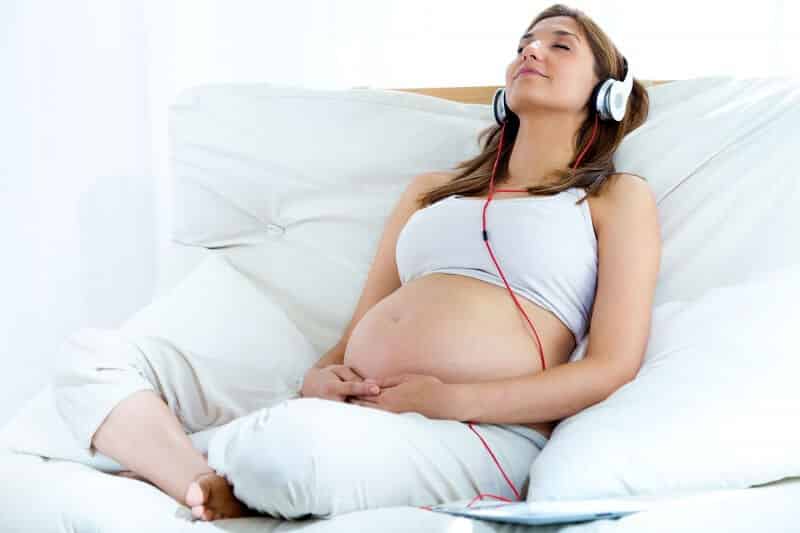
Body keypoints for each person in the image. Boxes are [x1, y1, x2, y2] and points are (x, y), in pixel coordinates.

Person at [46, 3, 660, 522]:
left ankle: (185, 463)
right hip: (349, 412)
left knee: (287, 449)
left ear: (606, 94)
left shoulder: (612, 199)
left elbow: (610, 367)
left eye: (560, 45)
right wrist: (319, 379)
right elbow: (361, 324)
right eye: (524, 42)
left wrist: (451, 400)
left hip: (476, 432)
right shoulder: (431, 191)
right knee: (88, 360)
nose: (531, 50)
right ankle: (203, 482)